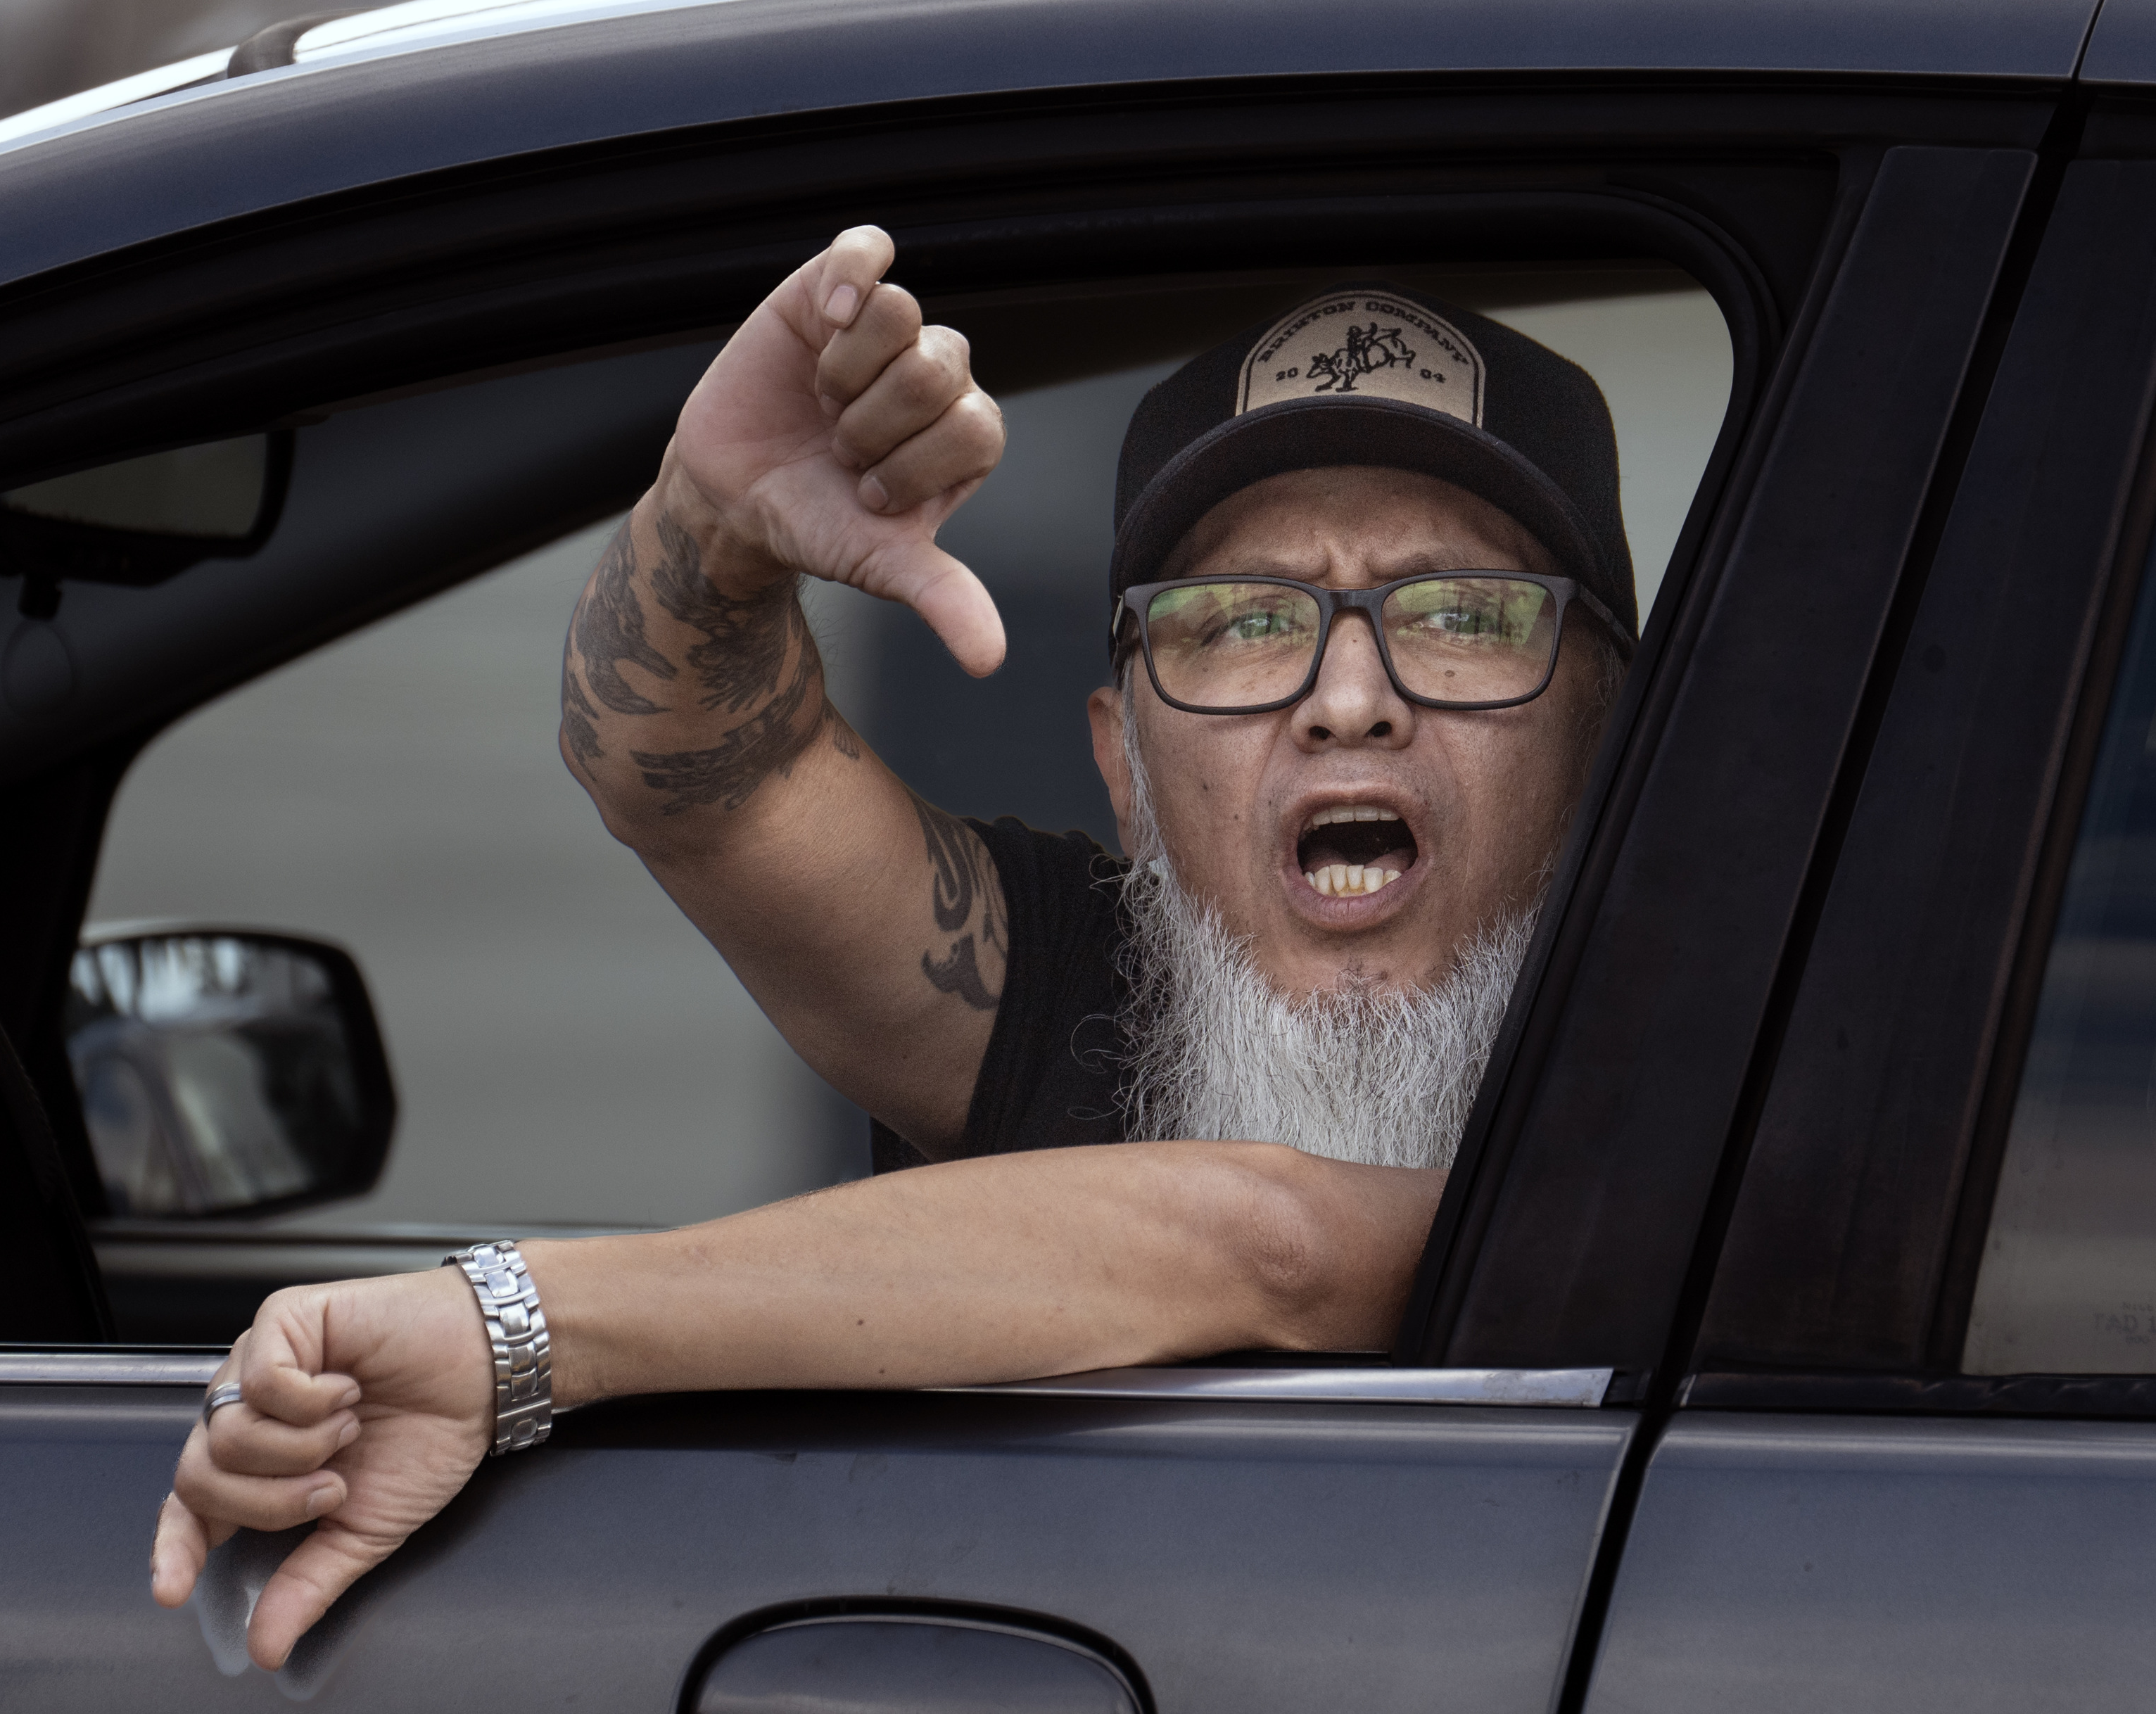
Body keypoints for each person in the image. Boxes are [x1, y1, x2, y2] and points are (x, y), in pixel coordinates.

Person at [149, 227, 1637, 1667]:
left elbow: (1277, 1247)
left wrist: (513, 1332)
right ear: (1123, 768)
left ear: (1612, 736)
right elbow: (688, 768)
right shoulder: (1070, 983)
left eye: (1461, 612)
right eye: (1239, 623)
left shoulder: (1751, 1019)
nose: (1347, 698)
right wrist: (711, 527)